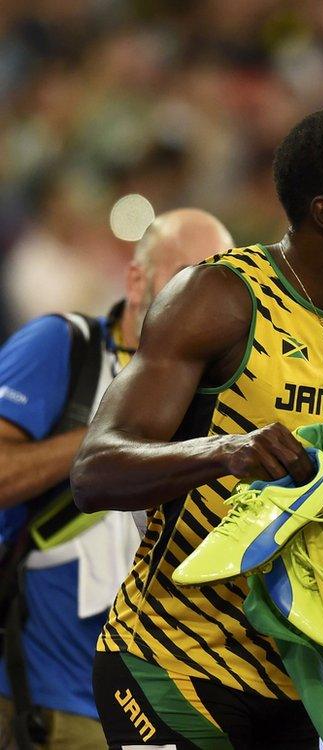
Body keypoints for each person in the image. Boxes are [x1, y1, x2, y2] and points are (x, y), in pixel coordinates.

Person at [70, 106, 323, 749]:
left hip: (298, 683)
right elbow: (95, 471)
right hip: (171, 661)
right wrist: (226, 450)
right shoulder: (218, 298)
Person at [0, 208, 233, 750]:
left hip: (163, 698)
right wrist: (115, 439)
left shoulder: (223, 396)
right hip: (47, 698)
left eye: (218, 282)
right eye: (184, 275)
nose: (201, 300)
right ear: (136, 279)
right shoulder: (64, 346)